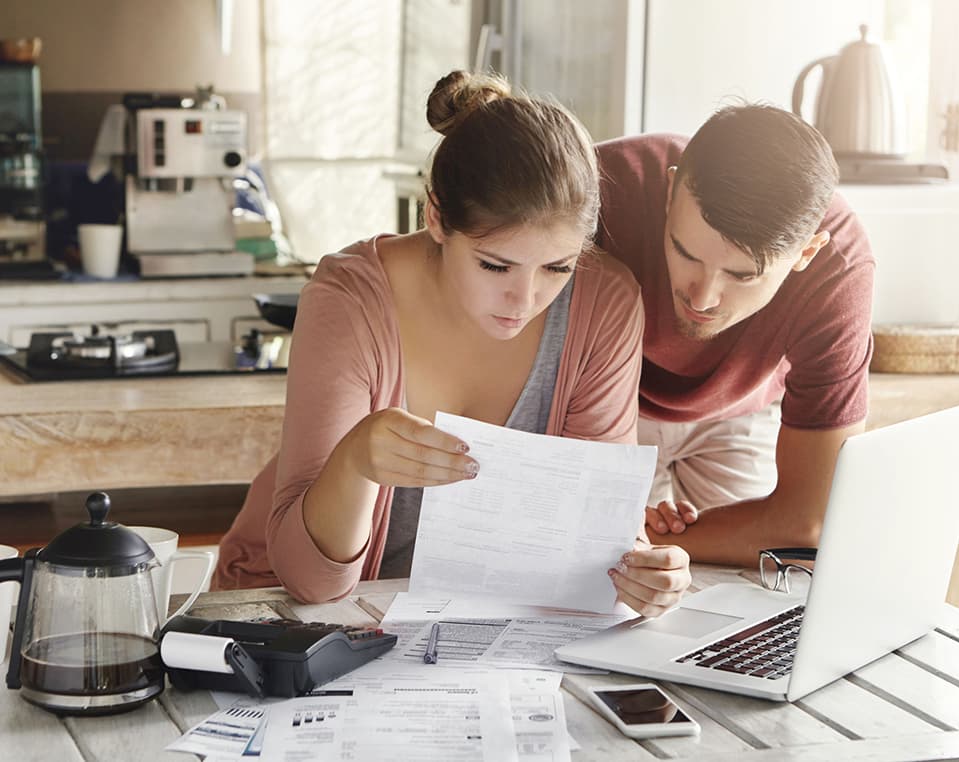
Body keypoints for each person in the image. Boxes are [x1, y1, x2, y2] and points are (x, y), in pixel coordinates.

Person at [214, 70, 691, 617]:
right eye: (495, 264)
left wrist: (641, 571)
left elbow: (592, 538)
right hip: (298, 616)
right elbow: (309, 582)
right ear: (436, 216)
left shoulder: (604, 303)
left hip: (486, 626)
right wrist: (356, 462)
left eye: (557, 267)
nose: (525, 299)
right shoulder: (348, 299)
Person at [594, 104, 875, 567]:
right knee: (592, 581)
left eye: (742, 276)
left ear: (807, 252)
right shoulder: (599, 188)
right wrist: (605, 535)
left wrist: (637, 537)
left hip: (741, 408)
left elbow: (808, 527)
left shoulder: (840, 270)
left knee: (755, 587)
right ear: (670, 193)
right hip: (607, 399)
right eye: (685, 252)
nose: (702, 298)